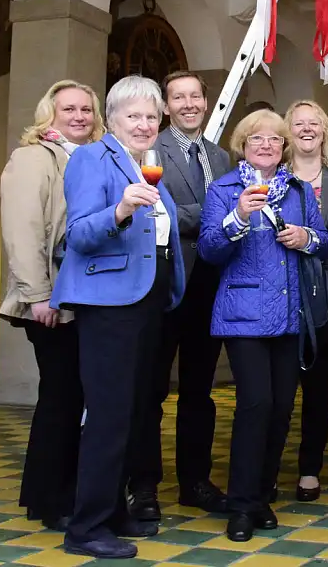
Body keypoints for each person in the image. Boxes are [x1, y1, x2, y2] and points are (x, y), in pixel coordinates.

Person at [50, 75, 186, 560]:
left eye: (152, 116)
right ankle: (85, 526)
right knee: (107, 415)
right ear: (112, 120)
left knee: (132, 412)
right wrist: (121, 209)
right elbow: (80, 235)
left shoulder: (147, 162)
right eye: (134, 116)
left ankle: (113, 510)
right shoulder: (91, 158)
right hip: (110, 305)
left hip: (146, 302)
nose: (145, 124)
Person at [198, 109, 328, 543]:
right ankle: (239, 505)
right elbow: (209, 250)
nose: (267, 146)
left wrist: (304, 238)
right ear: (243, 144)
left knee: (280, 409)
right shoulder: (223, 189)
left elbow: (323, 240)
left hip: (290, 315)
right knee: (255, 406)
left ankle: (260, 498)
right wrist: (236, 217)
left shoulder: (297, 190)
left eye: (275, 139)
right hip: (244, 314)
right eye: (258, 139)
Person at [0, 80, 104, 532]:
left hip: (85, 299)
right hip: (51, 300)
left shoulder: (93, 157)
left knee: (76, 397)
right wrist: (38, 295)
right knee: (60, 398)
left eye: (86, 109)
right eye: (69, 109)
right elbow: (22, 232)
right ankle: (50, 500)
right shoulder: (32, 157)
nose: (79, 116)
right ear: (50, 112)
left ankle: (61, 493)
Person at [128, 71, 231, 521]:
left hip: (210, 287)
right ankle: (144, 486)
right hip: (164, 285)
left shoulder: (221, 156)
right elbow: (157, 209)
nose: (188, 104)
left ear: (205, 103)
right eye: (178, 97)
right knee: (150, 389)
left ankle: (195, 482)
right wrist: (215, 212)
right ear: (166, 106)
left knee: (199, 392)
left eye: (195, 96)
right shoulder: (149, 151)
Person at [285, 100, 328, 502]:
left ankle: (310, 469)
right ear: (287, 131)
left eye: (314, 123)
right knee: (277, 385)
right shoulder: (269, 173)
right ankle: (267, 464)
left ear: (325, 131)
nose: (307, 129)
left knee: (318, 386)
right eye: (299, 124)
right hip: (280, 292)